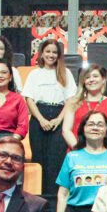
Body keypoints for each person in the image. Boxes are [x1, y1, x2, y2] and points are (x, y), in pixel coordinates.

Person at [24, 39, 78, 201]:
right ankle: (38, 200)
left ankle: (55, 200)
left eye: (54, 52)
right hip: (38, 115)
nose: (51, 55)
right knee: (39, 158)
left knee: (56, 160)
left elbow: (70, 99)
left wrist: (58, 119)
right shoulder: (35, 74)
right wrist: (41, 119)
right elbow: (29, 99)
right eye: (48, 51)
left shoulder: (65, 73)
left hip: (59, 115)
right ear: (41, 54)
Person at [62, 65, 107, 150]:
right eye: (87, 77)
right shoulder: (73, 102)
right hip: (77, 150)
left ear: (103, 79)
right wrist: (80, 151)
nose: (91, 80)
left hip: (103, 152)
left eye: (95, 76)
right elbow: (66, 130)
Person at [0, 60, 29, 139]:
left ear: (10, 77)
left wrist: (12, 140)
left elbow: (23, 126)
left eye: (4, 72)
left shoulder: (18, 99)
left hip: (11, 139)